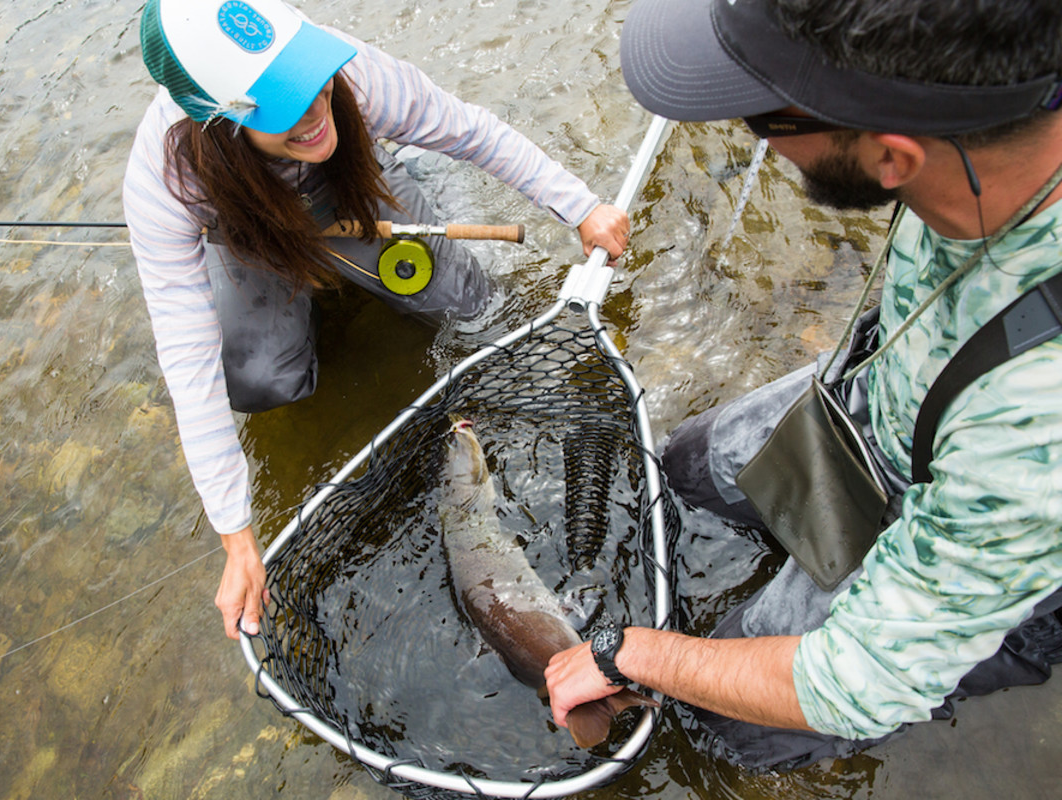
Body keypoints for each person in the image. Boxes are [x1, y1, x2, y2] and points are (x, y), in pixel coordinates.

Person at [545, 0, 1062, 770]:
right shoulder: (996, 104)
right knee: (681, 471)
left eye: (762, 116)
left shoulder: (1033, 425)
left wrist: (633, 654)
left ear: (894, 159)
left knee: (725, 729)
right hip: (887, 391)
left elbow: (854, 683)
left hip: (976, 509)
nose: (746, 132)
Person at [123, 0, 629, 641]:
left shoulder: (349, 75)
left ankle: (399, 191)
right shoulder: (166, 178)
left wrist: (579, 206)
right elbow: (185, 354)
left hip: (346, 187)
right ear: (221, 120)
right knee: (259, 382)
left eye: (311, 79)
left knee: (473, 311)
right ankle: (303, 275)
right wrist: (235, 533)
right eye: (283, 104)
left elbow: (470, 130)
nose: (315, 107)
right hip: (245, 221)